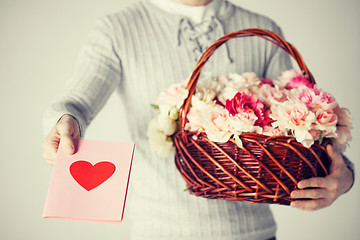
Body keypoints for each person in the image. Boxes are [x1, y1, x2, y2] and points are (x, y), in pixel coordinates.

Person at [42, 0, 354, 239]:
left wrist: (344, 176)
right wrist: (63, 121)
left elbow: (304, 125)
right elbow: (77, 101)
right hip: (159, 232)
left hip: (253, 234)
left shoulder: (262, 28)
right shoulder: (118, 29)